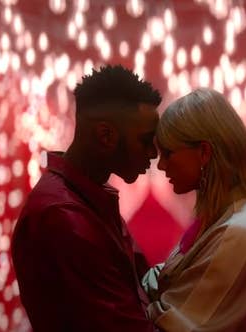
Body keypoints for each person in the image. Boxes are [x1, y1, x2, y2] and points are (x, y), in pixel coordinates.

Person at [11, 65, 162, 331]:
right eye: (146, 141)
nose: (153, 154)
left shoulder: (88, 200)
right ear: (105, 136)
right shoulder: (64, 217)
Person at [143, 88, 246, 331]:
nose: (162, 166)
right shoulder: (222, 216)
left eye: (168, 153)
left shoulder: (243, 228)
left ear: (204, 152)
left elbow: (177, 323)